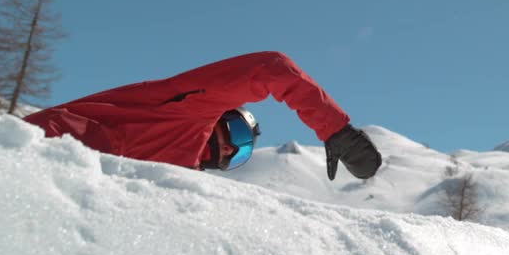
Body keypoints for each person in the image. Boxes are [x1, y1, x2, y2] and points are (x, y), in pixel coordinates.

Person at [23, 51, 382, 179]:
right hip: (26, 157)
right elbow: (271, 68)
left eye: (240, 156)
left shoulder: (182, 181)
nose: (229, 152)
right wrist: (337, 132)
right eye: (238, 138)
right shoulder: (188, 112)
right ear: (223, 117)